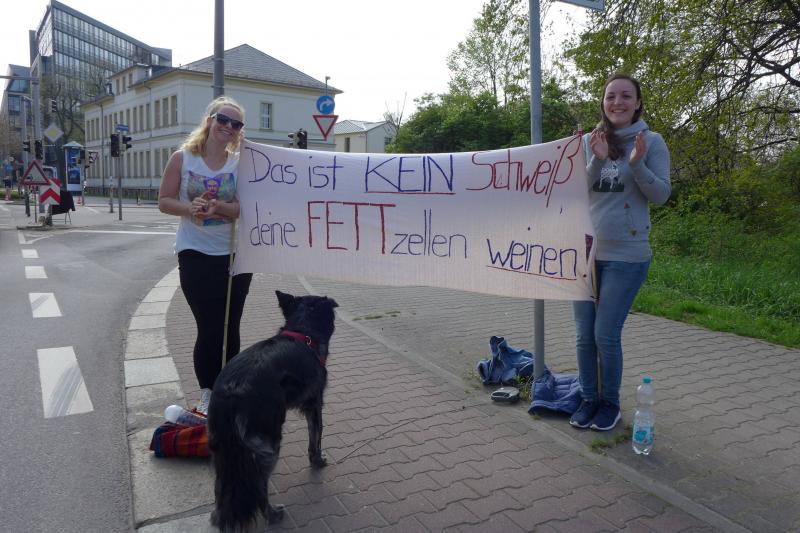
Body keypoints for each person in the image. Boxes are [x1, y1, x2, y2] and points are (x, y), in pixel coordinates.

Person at [569, 74, 671, 431]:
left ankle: (609, 404)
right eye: (611, 96)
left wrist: (637, 164)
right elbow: (574, 192)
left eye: (626, 96)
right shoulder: (589, 141)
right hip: (585, 253)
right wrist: (596, 160)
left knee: (605, 334)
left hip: (627, 255)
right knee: (584, 335)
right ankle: (588, 399)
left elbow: (661, 195)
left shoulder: (651, 142)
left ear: (638, 102)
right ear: (603, 102)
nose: (617, 102)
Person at [158, 96, 252, 415]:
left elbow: (245, 208)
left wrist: (219, 207)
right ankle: (209, 394)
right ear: (210, 120)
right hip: (195, 254)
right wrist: (190, 208)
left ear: (239, 130)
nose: (228, 126)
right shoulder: (183, 158)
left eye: (235, 123)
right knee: (210, 328)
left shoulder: (240, 163)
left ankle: (230, 391)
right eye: (222, 119)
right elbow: (164, 201)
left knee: (231, 328)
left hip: (235, 256)